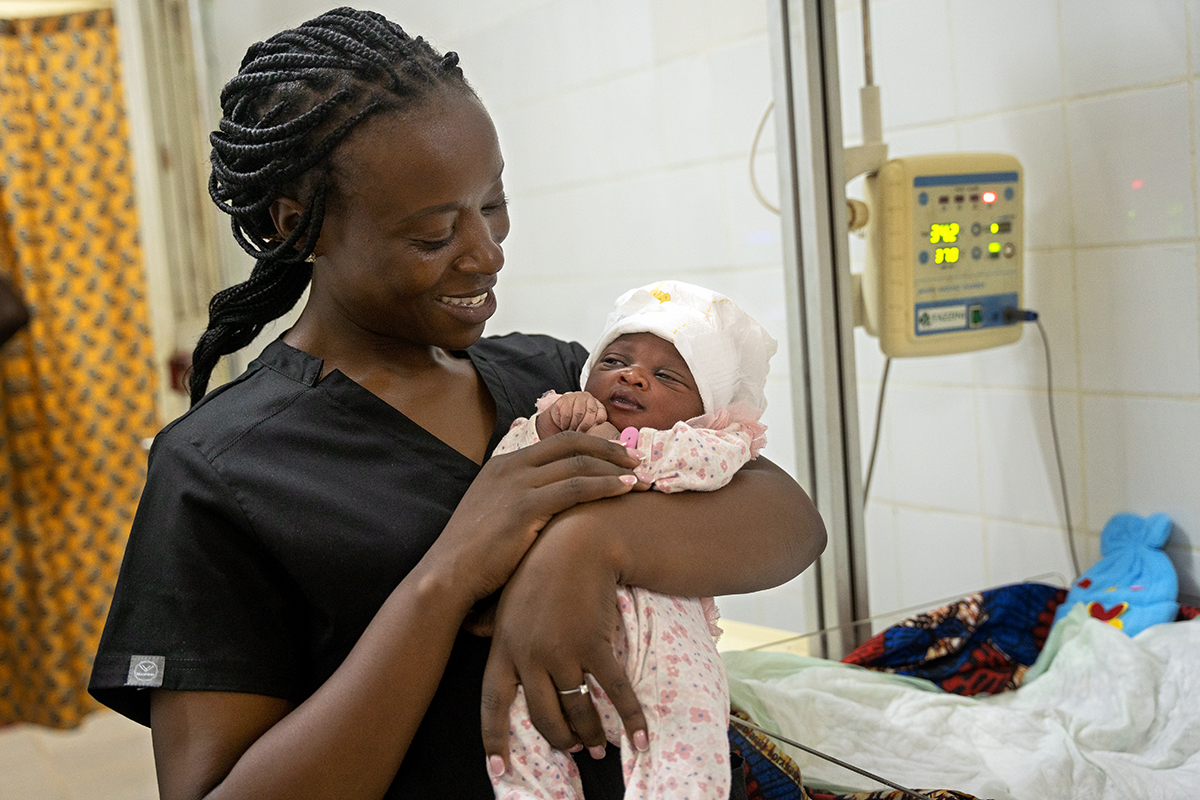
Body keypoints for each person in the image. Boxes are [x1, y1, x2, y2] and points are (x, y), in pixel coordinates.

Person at [87, 8, 826, 800]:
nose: (487, 251)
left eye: (494, 204)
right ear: (297, 223)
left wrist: (585, 548)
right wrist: (445, 578)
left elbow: (789, 521)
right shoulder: (219, 469)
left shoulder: (554, 378)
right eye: (435, 233)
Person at [491, 280, 777, 800]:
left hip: (666, 640)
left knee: (686, 735)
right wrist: (548, 430)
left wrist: (620, 450)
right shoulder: (557, 419)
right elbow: (503, 475)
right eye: (613, 362)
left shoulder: (706, 440)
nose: (632, 376)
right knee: (519, 735)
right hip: (544, 635)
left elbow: (703, 470)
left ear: (705, 408)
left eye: (665, 375)